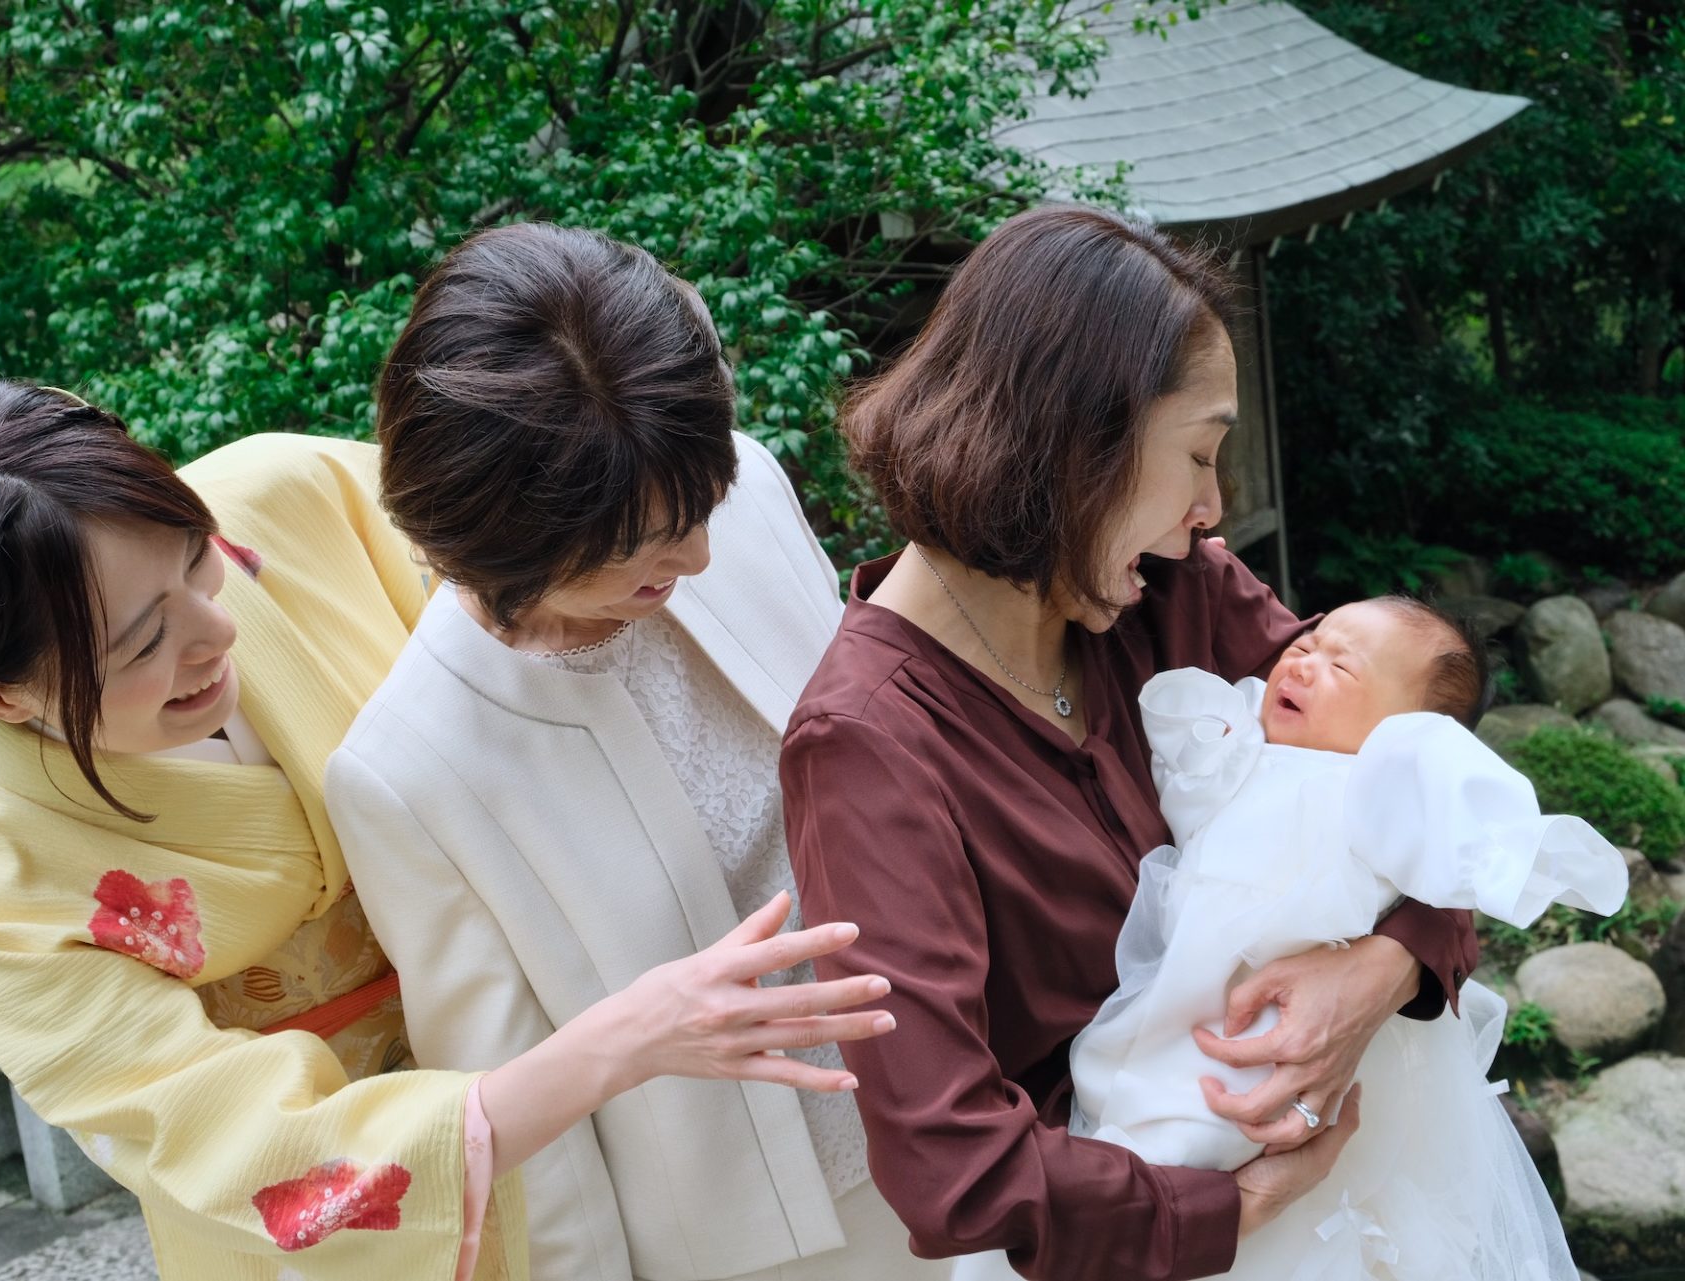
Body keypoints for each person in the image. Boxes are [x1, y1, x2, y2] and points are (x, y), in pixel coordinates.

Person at [0, 379, 893, 1281]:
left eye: (196, 557)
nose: (216, 626)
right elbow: (254, 1154)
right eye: (142, 645)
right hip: (398, 1210)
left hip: (598, 1041)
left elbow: (516, 601)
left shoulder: (295, 494)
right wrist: (620, 1040)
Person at [778, 204, 1483, 1281]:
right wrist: (1234, 1208)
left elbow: (1421, 767)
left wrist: (1389, 967)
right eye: (1199, 456)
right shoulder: (868, 744)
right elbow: (949, 1166)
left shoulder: (1170, 587)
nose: (1211, 509)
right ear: (1076, 445)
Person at [325, 222, 946, 1281]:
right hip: (769, 1246)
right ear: (493, 543)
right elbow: (538, 1141)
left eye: (699, 511)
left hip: (957, 1112)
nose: (700, 555)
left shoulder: (731, 489)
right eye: (639, 551)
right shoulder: (410, 770)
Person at [1069, 597, 1627, 1279]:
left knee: (1228, 1115)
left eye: (1343, 666)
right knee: (1146, 1096)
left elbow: (1460, 855)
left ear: (1407, 739)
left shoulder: (1376, 791)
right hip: (1184, 998)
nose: (1302, 659)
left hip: (1274, 1022)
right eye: (1309, 643)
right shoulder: (1243, 741)